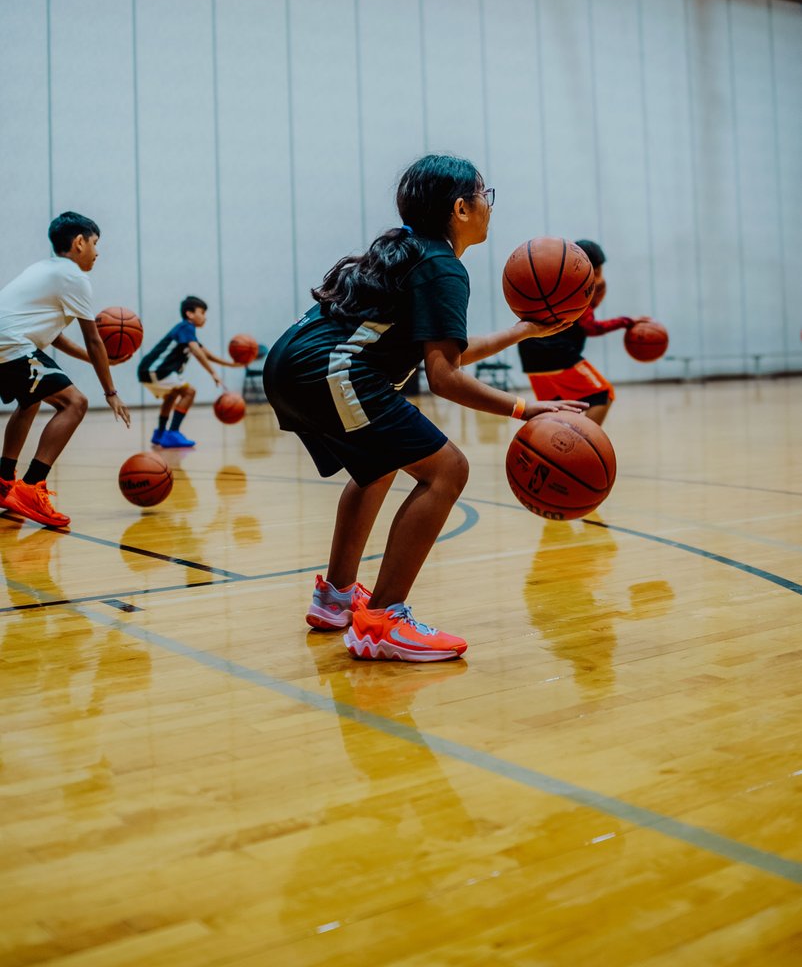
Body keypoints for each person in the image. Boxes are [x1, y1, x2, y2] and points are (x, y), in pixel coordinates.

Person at [264, 153, 587, 663]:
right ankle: (384, 622)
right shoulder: (442, 267)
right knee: (447, 470)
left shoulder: (415, 251)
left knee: (380, 467)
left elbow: (440, 354)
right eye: (486, 196)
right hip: (328, 370)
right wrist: (528, 409)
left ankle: (337, 599)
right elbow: (445, 378)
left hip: (296, 361)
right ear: (461, 208)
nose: (489, 207)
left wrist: (522, 332)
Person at [0, 211, 131, 529]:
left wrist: (98, 362)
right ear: (79, 242)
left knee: (30, 401)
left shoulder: (45, 269)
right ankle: (32, 487)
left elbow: (55, 336)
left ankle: (4, 483)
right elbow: (94, 340)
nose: (98, 253)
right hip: (12, 345)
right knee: (75, 403)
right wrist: (110, 391)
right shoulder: (74, 277)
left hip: (8, 343)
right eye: (96, 243)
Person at [518, 239, 646, 426]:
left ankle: (554, 450)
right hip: (555, 350)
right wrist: (625, 321)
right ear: (592, 269)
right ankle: (583, 443)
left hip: (529, 351)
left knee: (556, 410)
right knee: (603, 394)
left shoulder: (554, 279)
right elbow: (590, 327)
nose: (601, 276)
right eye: (599, 270)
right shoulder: (579, 286)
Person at [137, 296, 237, 448]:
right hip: (156, 369)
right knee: (189, 392)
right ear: (190, 314)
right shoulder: (186, 327)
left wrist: (231, 364)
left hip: (149, 370)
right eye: (202, 312)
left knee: (172, 395)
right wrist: (213, 373)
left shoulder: (187, 332)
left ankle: (160, 434)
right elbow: (196, 351)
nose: (205, 317)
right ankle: (173, 433)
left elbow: (206, 354)